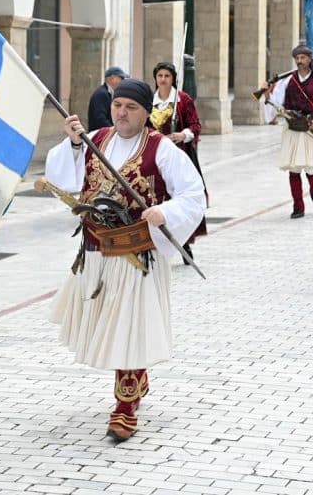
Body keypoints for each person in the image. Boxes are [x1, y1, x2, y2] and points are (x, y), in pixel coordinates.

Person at [45, 78, 205, 442]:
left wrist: (164, 212)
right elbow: (64, 180)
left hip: (136, 255)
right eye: (118, 105)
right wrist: (72, 144)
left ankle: (125, 406)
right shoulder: (95, 139)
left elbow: (193, 195)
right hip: (96, 252)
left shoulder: (161, 149)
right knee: (111, 326)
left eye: (131, 107)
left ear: (146, 113)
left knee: (128, 329)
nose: (122, 113)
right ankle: (136, 380)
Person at [262, 45, 313, 219]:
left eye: (303, 57)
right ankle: (298, 205)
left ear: (310, 59)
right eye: (297, 58)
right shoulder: (286, 82)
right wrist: (266, 95)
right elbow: (278, 106)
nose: (300, 61)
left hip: (309, 129)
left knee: (310, 168)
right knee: (293, 170)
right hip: (292, 129)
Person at [149, 61, 207, 256]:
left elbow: (196, 126)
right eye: (160, 76)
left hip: (178, 155)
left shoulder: (183, 100)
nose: (163, 80)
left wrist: (182, 135)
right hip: (155, 156)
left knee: (178, 196)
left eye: (167, 76)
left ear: (173, 78)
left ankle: (184, 242)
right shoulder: (150, 102)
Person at [87, 66, 128, 130]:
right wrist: (114, 131)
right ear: (111, 79)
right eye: (121, 78)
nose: (123, 81)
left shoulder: (108, 93)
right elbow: (100, 119)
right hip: (100, 136)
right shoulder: (101, 94)